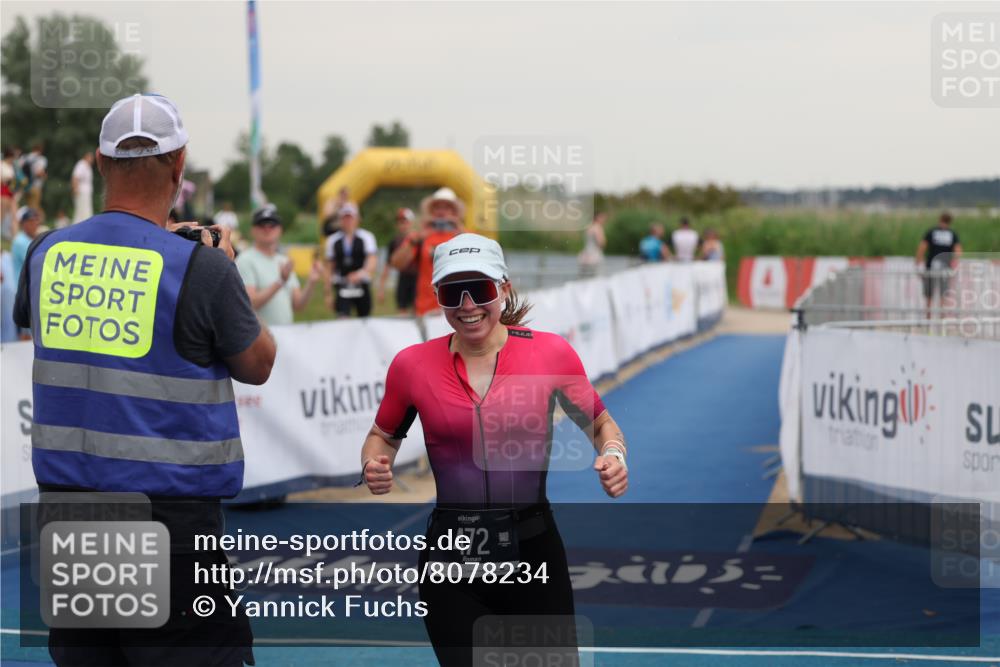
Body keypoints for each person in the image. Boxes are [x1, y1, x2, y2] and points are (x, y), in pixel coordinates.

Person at [13, 92, 275, 667]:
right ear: (179, 166)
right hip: (170, 521)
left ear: (100, 163)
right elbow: (258, 363)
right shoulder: (200, 266)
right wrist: (221, 263)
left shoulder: (44, 253)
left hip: (71, 517)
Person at [362, 233, 629, 666]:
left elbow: (600, 423)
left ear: (503, 288)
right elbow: (382, 438)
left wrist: (614, 455)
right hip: (451, 562)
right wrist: (374, 463)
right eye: (452, 293)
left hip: (533, 555)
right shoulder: (411, 365)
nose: (467, 305)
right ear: (437, 298)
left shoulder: (549, 354)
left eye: (480, 290)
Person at [237, 205, 322, 326]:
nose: (267, 229)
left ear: (280, 230)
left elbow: (298, 305)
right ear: (253, 230)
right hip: (259, 339)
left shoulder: (283, 261)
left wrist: (312, 282)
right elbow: (250, 303)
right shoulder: (245, 260)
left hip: (285, 335)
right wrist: (280, 281)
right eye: (262, 225)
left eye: (272, 225)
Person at [390, 187, 465, 317]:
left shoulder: (465, 235)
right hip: (426, 309)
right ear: (431, 211)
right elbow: (396, 264)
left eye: (446, 207)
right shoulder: (420, 236)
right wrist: (415, 240)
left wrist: (460, 230)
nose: (441, 212)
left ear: (454, 211)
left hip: (459, 308)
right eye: (437, 207)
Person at [324, 202, 378, 317]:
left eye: (351, 218)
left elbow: (372, 261)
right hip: (342, 283)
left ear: (357, 219)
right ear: (340, 220)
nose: (348, 221)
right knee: (342, 317)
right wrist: (328, 293)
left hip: (361, 283)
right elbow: (329, 268)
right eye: (345, 218)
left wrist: (360, 274)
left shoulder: (367, 237)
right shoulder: (333, 240)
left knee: (365, 320)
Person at [916, 211, 963, 315]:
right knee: (943, 297)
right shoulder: (952, 234)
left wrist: (918, 264)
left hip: (930, 268)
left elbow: (922, 248)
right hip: (945, 268)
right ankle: (941, 325)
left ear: (940, 219)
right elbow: (958, 252)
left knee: (929, 297)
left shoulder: (931, 232)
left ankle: (928, 325)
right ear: (950, 221)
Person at [377, 207, 418, 313]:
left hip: (417, 279)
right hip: (403, 278)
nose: (403, 225)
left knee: (418, 311)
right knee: (402, 311)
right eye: (400, 222)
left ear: (411, 223)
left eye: (405, 222)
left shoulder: (418, 239)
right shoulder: (394, 242)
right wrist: (381, 288)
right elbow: (388, 265)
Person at [10, 206, 42, 280]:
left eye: (36, 220)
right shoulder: (19, 241)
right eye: (31, 221)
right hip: (21, 288)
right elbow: (36, 263)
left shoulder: (33, 238)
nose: (35, 224)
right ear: (24, 224)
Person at [578, 212, 607, 276]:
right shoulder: (598, 228)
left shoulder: (589, 227)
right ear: (597, 218)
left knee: (584, 277)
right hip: (595, 255)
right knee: (597, 276)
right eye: (602, 217)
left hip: (585, 255)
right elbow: (601, 242)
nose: (604, 220)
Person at [21, 143, 47, 212]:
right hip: (36, 186)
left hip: (25, 186)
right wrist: (44, 175)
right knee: (35, 206)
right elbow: (38, 173)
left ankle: (27, 221)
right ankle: (34, 221)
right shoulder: (41, 159)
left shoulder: (25, 157)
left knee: (28, 206)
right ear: (40, 150)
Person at [71, 151, 94, 224]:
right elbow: (75, 177)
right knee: (81, 211)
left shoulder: (87, 166)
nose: (92, 160)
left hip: (86, 193)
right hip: (81, 192)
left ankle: (85, 225)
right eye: (90, 157)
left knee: (86, 211)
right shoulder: (81, 164)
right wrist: (75, 189)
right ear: (86, 157)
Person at [1, 148, 17, 240]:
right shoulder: (2, 165)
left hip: (11, 192)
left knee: (14, 215)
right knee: (1, 215)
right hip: (3, 192)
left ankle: (15, 237)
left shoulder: (11, 166)